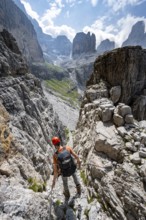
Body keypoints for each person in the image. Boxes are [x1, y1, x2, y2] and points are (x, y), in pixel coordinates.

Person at [51, 136, 81, 201]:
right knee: (75, 176)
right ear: (59, 142)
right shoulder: (67, 148)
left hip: (64, 172)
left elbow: (55, 171)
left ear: (54, 145)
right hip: (72, 168)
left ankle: (67, 195)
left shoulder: (55, 155)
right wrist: (78, 162)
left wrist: (53, 181)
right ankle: (79, 190)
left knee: (65, 182)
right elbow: (76, 156)